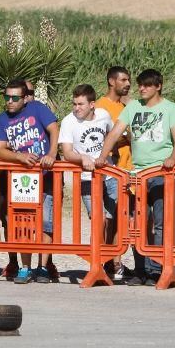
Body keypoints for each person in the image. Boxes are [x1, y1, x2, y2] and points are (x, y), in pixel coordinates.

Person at [97, 69, 175, 286]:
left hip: (161, 172)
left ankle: (158, 267)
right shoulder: (133, 107)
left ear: (158, 86)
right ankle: (140, 269)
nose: (142, 89)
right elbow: (115, 133)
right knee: (139, 222)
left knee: (161, 222)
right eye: (141, 85)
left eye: (147, 85)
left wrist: (173, 157)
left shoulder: (171, 108)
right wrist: (101, 157)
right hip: (137, 174)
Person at [0, 79, 59, 284]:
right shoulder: (2, 119)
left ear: (24, 99)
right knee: (22, 222)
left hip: (45, 176)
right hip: (21, 180)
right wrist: (20, 157)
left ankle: (42, 266)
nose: (10, 102)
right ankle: (25, 267)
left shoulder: (37, 109)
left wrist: (51, 154)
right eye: (7, 97)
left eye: (14, 98)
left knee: (45, 222)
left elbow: (54, 129)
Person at [59, 84, 117, 238]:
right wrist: (83, 157)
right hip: (87, 178)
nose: (76, 108)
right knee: (99, 219)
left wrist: (110, 154)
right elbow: (67, 153)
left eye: (80, 104)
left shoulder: (104, 115)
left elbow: (113, 134)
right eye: (74, 104)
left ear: (92, 105)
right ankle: (96, 260)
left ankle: (111, 261)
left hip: (110, 175)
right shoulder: (68, 122)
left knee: (113, 221)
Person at [94, 66, 132, 277]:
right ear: (111, 81)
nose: (127, 84)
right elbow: (100, 140)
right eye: (123, 80)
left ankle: (115, 261)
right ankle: (105, 260)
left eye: (129, 80)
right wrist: (125, 137)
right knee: (106, 218)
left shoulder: (126, 106)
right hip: (111, 169)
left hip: (128, 167)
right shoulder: (101, 107)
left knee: (120, 218)